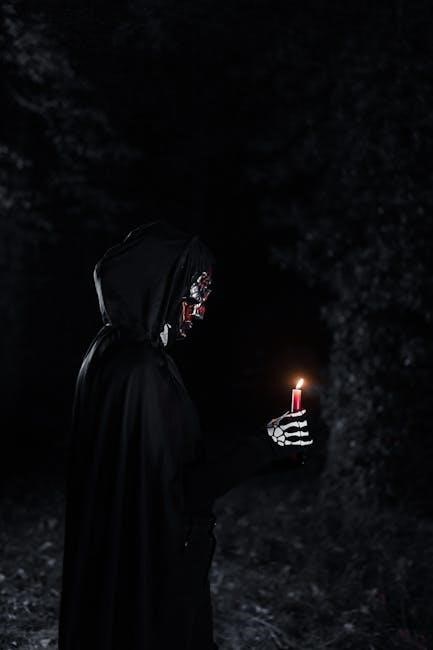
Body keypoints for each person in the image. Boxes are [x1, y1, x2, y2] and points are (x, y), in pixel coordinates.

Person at [58, 221, 313, 650]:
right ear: (162, 287)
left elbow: (165, 461)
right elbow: (181, 490)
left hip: (119, 559)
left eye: (205, 297)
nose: (200, 310)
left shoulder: (108, 351)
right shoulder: (143, 370)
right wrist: (266, 444)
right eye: (194, 295)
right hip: (153, 566)